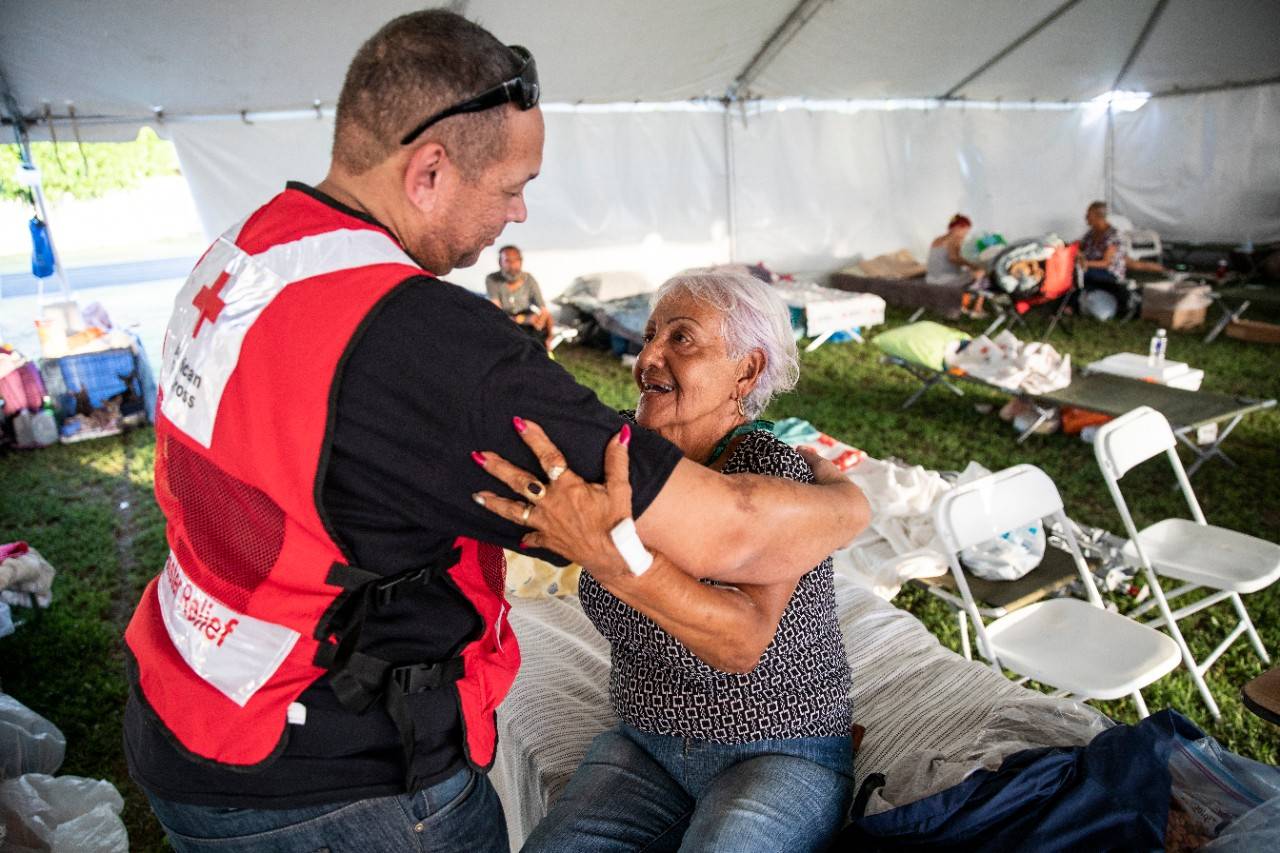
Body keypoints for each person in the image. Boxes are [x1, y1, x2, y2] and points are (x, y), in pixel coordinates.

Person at [122, 10, 870, 853]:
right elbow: (733, 529)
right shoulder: (428, 348)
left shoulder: (248, 254)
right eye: (513, 184)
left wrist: (809, 490)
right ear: (430, 168)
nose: (518, 214)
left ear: (751, 371)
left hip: (196, 703)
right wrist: (852, 500)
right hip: (338, 773)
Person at [472, 270, 859, 851]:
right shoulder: (618, 448)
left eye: (681, 340)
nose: (647, 356)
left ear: (746, 371)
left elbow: (739, 642)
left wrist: (610, 554)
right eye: (650, 335)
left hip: (778, 745)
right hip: (646, 742)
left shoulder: (770, 471)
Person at [485, 244, 553, 348]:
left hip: (526, 320)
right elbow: (496, 314)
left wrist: (541, 321)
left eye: (516, 260)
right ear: (500, 263)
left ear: (521, 261)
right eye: (508, 261)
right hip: (504, 322)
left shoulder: (529, 279)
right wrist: (522, 319)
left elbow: (544, 310)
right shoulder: (492, 279)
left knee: (542, 328)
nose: (512, 265)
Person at [1077, 200, 1133, 319]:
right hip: (1090, 269)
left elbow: (1106, 263)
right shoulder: (1092, 233)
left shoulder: (1113, 235)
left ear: (1098, 216)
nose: (1086, 217)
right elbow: (1080, 247)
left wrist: (1085, 263)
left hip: (1109, 273)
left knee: (1078, 275)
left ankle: (1071, 305)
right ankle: (1075, 302)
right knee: (1076, 273)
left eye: (1089, 214)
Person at [927, 214, 987, 317]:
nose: (966, 233)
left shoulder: (937, 239)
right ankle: (977, 309)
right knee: (982, 273)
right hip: (945, 280)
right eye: (966, 230)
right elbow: (953, 258)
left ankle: (963, 304)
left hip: (931, 278)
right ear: (958, 228)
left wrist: (968, 266)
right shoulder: (955, 239)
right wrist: (972, 265)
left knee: (970, 275)